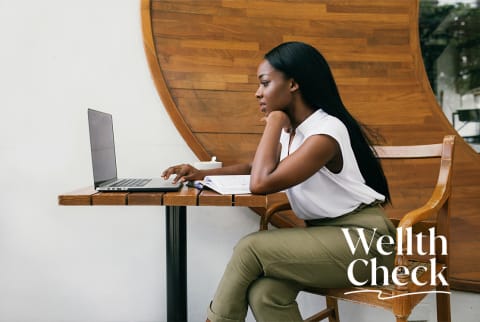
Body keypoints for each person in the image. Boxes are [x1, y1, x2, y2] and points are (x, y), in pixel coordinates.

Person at [162, 41, 396, 322]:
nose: (257, 92)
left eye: (264, 83)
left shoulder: (325, 133)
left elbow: (261, 183)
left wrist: (273, 122)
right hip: (326, 237)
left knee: (251, 247)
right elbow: (255, 168)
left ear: (293, 84)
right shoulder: (296, 130)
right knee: (265, 293)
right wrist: (201, 175)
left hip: (364, 245)